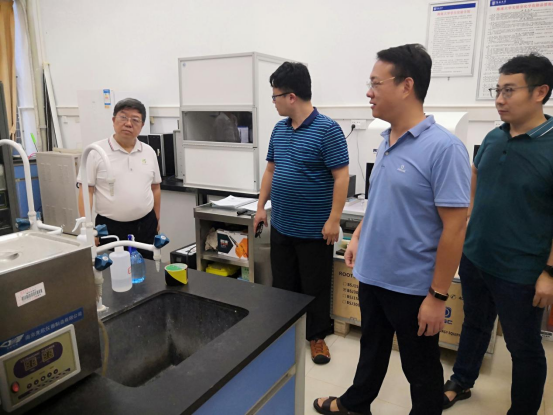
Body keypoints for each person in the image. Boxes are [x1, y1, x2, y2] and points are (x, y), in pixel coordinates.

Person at [315, 44, 471, 415]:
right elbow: (381, 201)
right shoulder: (386, 139)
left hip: (412, 286)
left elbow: (455, 228)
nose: (369, 92)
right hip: (373, 274)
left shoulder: (444, 149)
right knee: (371, 349)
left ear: (406, 85)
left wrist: (438, 296)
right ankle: (355, 405)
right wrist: (358, 236)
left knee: (421, 368)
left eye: (376, 83)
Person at [443, 53, 553, 415]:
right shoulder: (494, 136)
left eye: (509, 90)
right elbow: (476, 176)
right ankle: (461, 381)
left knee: (523, 347)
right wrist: (469, 221)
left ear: (540, 92)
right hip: (476, 257)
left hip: (521, 271)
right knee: (474, 324)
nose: (499, 99)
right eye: (497, 90)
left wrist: (549, 272)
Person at [254, 62, 349, 364]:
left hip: (314, 230)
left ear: (291, 97)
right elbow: (271, 170)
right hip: (282, 225)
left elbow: (341, 177)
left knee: (314, 286)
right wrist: (260, 207)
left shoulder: (328, 130)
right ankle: (284, 333)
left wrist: (334, 219)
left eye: (275, 96)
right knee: (283, 285)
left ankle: (316, 337)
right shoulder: (279, 130)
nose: (274, 102)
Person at [78, 98, 162, 259]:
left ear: (142, 125)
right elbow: (86, 191)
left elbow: (155, 187)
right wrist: (87, 228)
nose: (128, 124)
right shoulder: (95, 152)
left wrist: (157, 218)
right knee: (111, 270)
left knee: (149, 268)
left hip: (146, 225)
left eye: (135, 120)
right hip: (110, 227)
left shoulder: (149, 151)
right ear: (113, 120)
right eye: (123, 117)